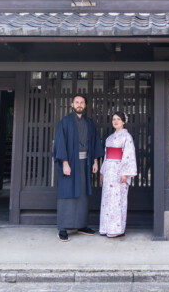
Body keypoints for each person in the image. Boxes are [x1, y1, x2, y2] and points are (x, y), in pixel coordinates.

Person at [53, 94, 104, 242]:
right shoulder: (65, 122)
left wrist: (95, 162)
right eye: (77, 102)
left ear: (85, 105)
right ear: (72, 104)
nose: (79, 104)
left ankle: (81, 225)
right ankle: (63, 228)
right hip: (69, 164)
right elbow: (60, 143)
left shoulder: (89, 123)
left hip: (85, 163)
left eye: (82, 102)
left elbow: (94, 143)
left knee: (82, 195)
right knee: (67, 194)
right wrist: (64, 163)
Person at [99, 111, 137, 238]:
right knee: (107, 199)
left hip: (119, 171)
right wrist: (103, 171)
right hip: (109, 170)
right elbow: (106, 156)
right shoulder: (109, 138)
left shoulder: (127, 137)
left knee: (118, 200)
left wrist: (125, 173)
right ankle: (105, 227)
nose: (115, 121)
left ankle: (117, 229)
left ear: (123, 122)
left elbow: (129, 155)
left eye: (118, 119)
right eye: (114, 119)